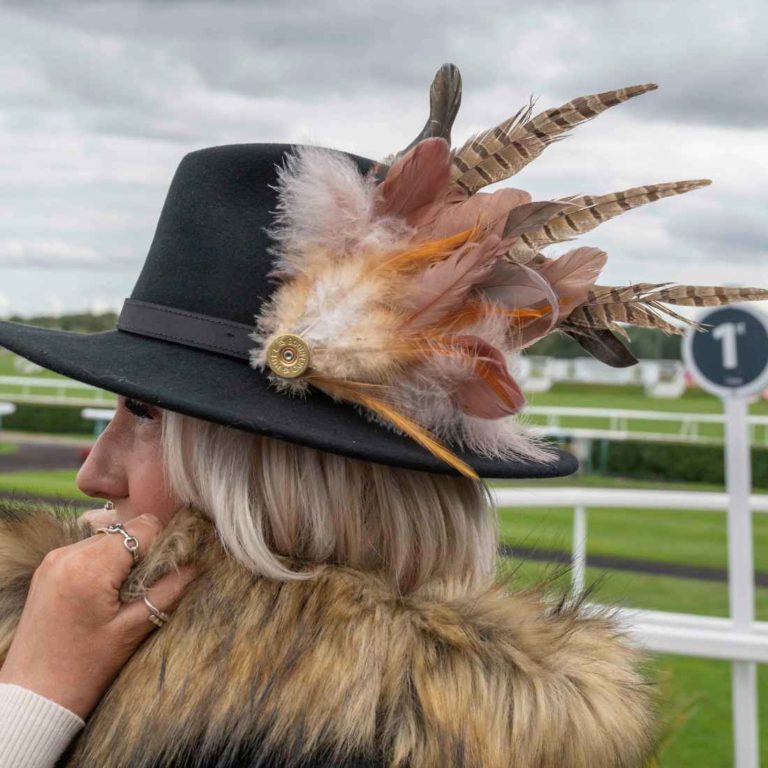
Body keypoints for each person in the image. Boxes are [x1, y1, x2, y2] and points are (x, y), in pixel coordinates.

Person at [0, 63, 764, 767]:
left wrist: (33, 698)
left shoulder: (214, 727)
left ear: (282, 473)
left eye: (144, 414)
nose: (94, 471)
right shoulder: (501, 730)